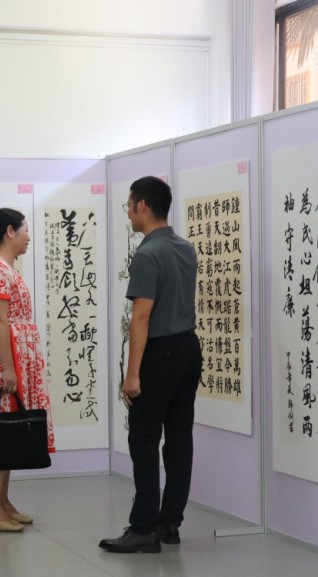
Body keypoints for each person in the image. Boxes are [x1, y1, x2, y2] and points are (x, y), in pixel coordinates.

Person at [99, 176, 202, 554]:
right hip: (189, 349)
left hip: (160, 352)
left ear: (142, 206)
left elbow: (140, 318)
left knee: (143, 438)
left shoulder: (146, 255)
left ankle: (143, 527)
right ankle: (169, 523)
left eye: (129, 206)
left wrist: (132, 375)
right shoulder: (185, 248)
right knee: (179, 437)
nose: (128, 213)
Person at [0, 208, 54, 532]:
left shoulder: (4, 267)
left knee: (9, 426)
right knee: (2, 427)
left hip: (16, 354)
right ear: (10, 231)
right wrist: (9, 369)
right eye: (25, 230)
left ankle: (1, 501)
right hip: (7, 358)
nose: (28, 237)